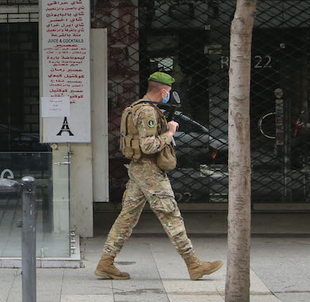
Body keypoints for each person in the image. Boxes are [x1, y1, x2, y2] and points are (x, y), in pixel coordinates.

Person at [95, 72, 223, 281]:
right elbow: (148, 146)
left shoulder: (135, 107)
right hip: (149, 171)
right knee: (170, 214)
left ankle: (106, 262)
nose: (169, 96)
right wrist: (170, 133)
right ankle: (193, 264)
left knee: (127, 217)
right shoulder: (147, 112)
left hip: (138, 170)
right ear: (163, 91)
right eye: (169, 92)